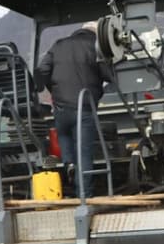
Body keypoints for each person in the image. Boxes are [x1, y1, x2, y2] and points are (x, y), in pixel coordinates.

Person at [35, 23, 113, 198]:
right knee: (84, 152)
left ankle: (69, 163)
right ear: (96, 34)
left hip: (61, 108)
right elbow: (108, 75)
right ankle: (84, 196)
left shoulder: (58, 45)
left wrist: (54, 90)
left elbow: (42, 72)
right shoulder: (95, 47)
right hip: (83, 108)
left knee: (63, 135)